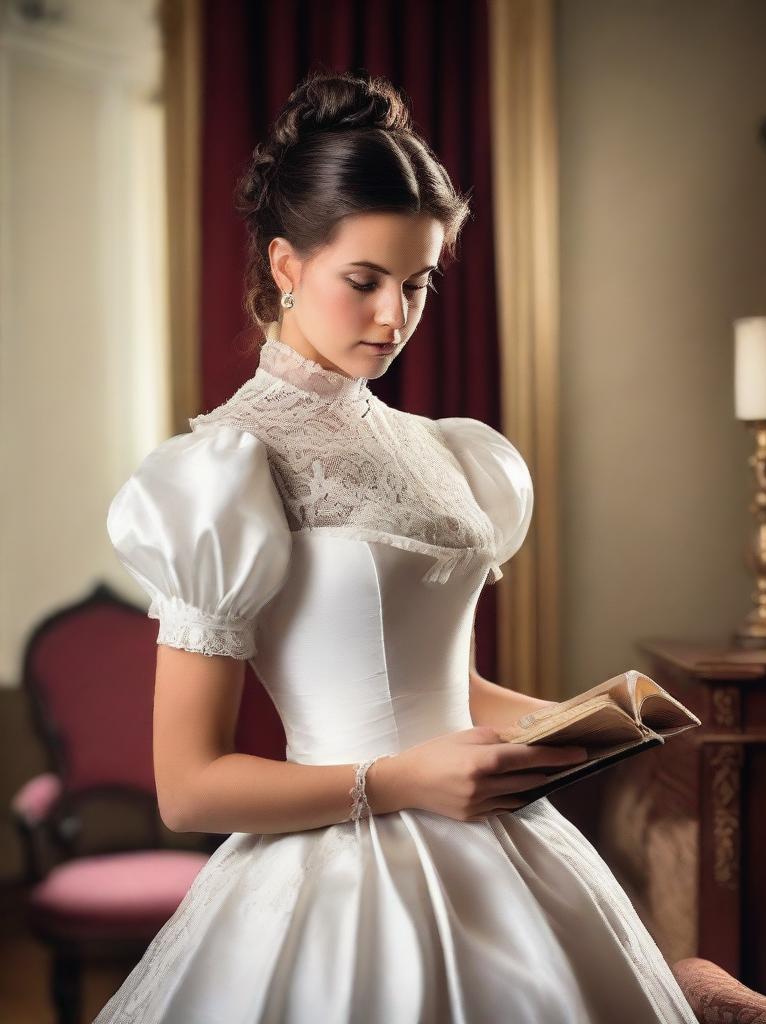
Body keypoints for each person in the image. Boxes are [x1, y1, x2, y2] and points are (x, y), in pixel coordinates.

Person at [95, 68, 699, 1024]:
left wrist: (580, 723)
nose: (394, 316)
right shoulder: (220, 472)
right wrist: (402, 780)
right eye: (363, 281)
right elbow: (189, 788)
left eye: (416, 283)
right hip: (339, 876)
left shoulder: (443, 446)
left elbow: (442, 687)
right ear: (287, 264)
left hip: (504, 851)